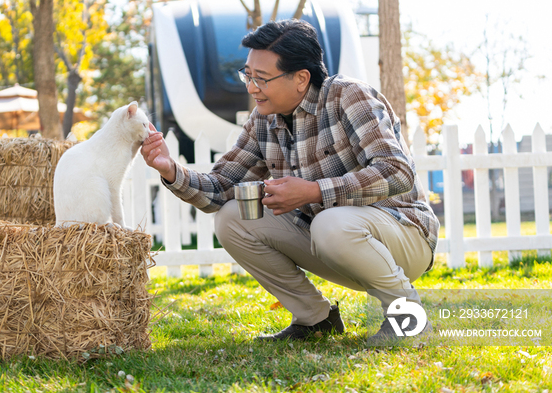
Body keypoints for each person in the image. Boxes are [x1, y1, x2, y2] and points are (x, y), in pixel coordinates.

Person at [140, 19, 439, 343]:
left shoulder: (349, 96)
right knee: (232, 217)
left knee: (330, 222)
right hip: (333, 242)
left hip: (403, 237)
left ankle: (409, 319)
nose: (251, 87)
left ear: (301, 78)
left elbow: (396, 172)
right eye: (248, 75)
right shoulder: (263, 119)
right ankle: (315, 319)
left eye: (262, 78)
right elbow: (221, 189)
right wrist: (169, 168)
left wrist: (314, 192)